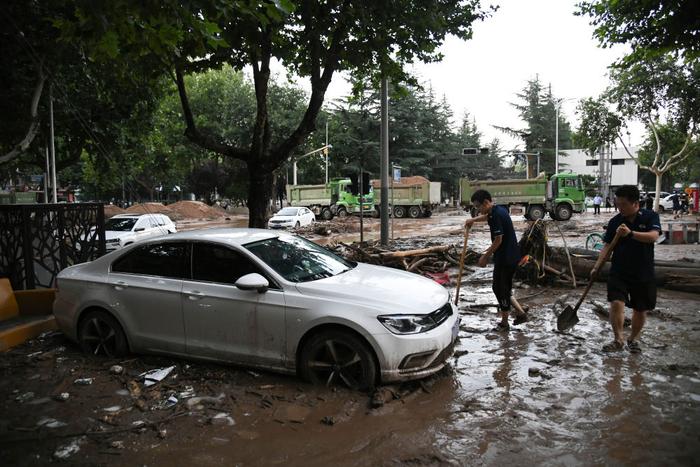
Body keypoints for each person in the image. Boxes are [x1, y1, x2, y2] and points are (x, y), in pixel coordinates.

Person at [590, 185, 661, 353]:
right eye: (617, 204)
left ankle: (633, 339)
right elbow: (607, 246)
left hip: (643, 271)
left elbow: (653, 237)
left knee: (640, 308)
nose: (619, 208)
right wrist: (596, 266)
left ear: (635, 203)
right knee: (616, 302)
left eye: (623, 204)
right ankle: (618, 339)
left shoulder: (650, 217)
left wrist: (630, 234)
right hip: (619, 271)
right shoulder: (615, 221)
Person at [464, 190, 528, 331]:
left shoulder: (497, 215)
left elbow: (498, 240)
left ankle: (505, 323)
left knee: (502, 289)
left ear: (486, 202)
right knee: (499, 287)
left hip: (507, 258)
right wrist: (473, 221)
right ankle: (521, 313)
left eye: (478, 207)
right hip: (505, 256)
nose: (478, 210)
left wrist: (485, 256)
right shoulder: (497, 210)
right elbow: (487, 217)